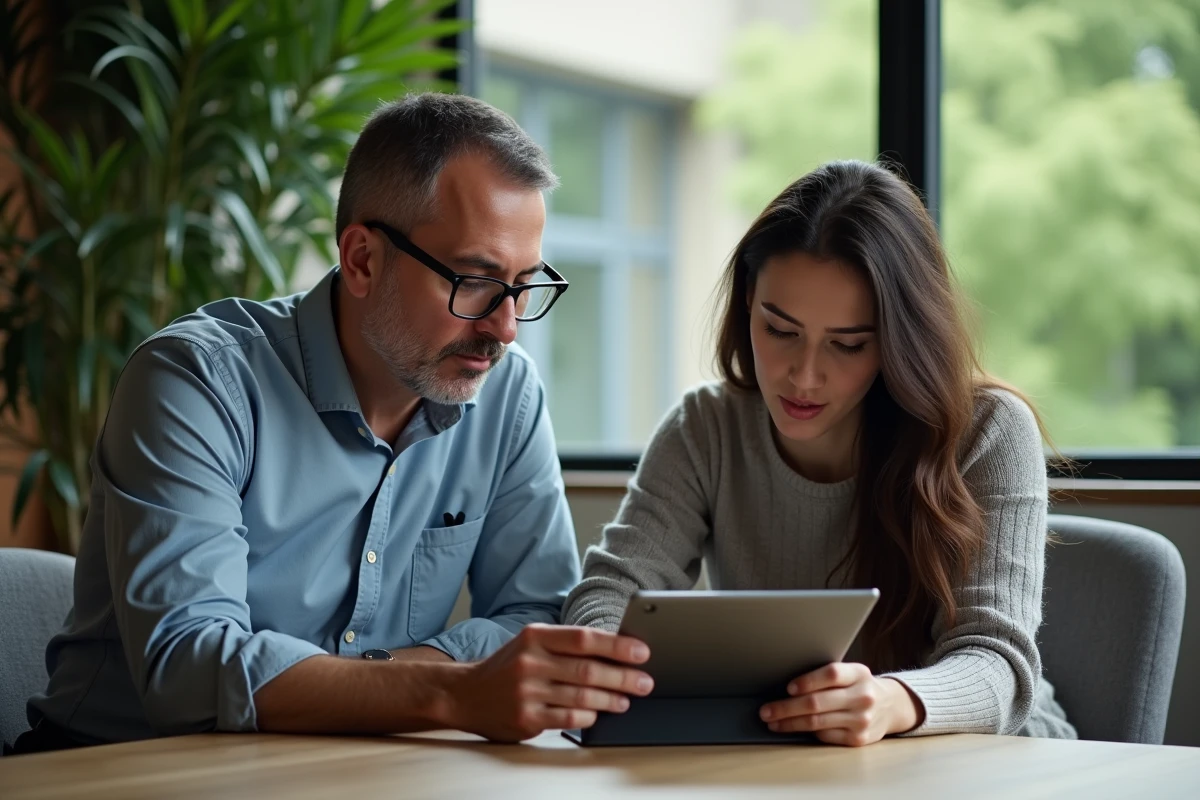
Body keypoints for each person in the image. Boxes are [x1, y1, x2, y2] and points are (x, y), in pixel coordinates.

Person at [10, 93, 652, 755]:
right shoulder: (195, 382)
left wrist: (375, 682)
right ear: (363, 259)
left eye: (523, 285)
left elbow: (537, 619)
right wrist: (453, 688)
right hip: (117, 774)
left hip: (357, 765)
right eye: (473, 280)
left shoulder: (508, 396)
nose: (506, 327)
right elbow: (189, 670)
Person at [562, 159, 1077, 746]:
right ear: (747, 305)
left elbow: (999, 663)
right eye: (780, 331)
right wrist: (605, 664)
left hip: (988, 759)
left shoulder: (986, 431)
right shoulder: (707, 427)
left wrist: (894, 701)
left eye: (848, 345)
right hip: (796, 758)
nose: (804, 376)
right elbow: (609, 590)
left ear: (899, 341)